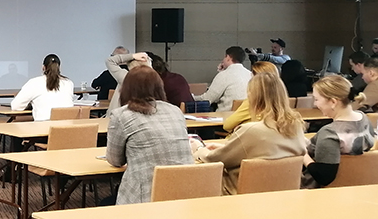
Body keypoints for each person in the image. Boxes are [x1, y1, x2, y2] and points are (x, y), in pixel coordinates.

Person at [194, 72, 307, 195]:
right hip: (284, 194)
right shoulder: (296, 127)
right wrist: (226, 148)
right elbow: (267, 152)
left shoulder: (251, 130)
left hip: (240, 194)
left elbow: (214, 159)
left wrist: (199, 149)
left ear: (253, 98)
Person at [106, 66, 193, 205]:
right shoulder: (175, 111)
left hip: (145, 197)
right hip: (183, 193)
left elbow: (115, 160)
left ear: (126, 88)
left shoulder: (121, 115)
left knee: (104, 204)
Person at [302, 75, 376, 188]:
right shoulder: (364, 118)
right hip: (355, 186)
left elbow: (324, 177)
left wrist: (302, 153)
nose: (315, 104)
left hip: (315, 189)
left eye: (316, 99)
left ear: (333, 102)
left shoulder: (329, 133)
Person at [9, 54, 75, 120]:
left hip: (43, 125)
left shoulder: (34, 82)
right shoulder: (69, 83)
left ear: (43, 67)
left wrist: (30, 105)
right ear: (59, 68)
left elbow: (15, 106)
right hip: (68, 125)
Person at [223, 62, 279, 133]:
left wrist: (240, 126)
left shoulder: (252, 102)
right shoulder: (280, 103)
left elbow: (227, 125)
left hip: (245, 138)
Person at [194, 46, 251, 112]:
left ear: (228, 58)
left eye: (224, 57)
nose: (223, 60)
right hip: (247, 115)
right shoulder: (251, 74)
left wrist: (191, 97)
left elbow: (207, 99)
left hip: (226, 116)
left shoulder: (224, 75)